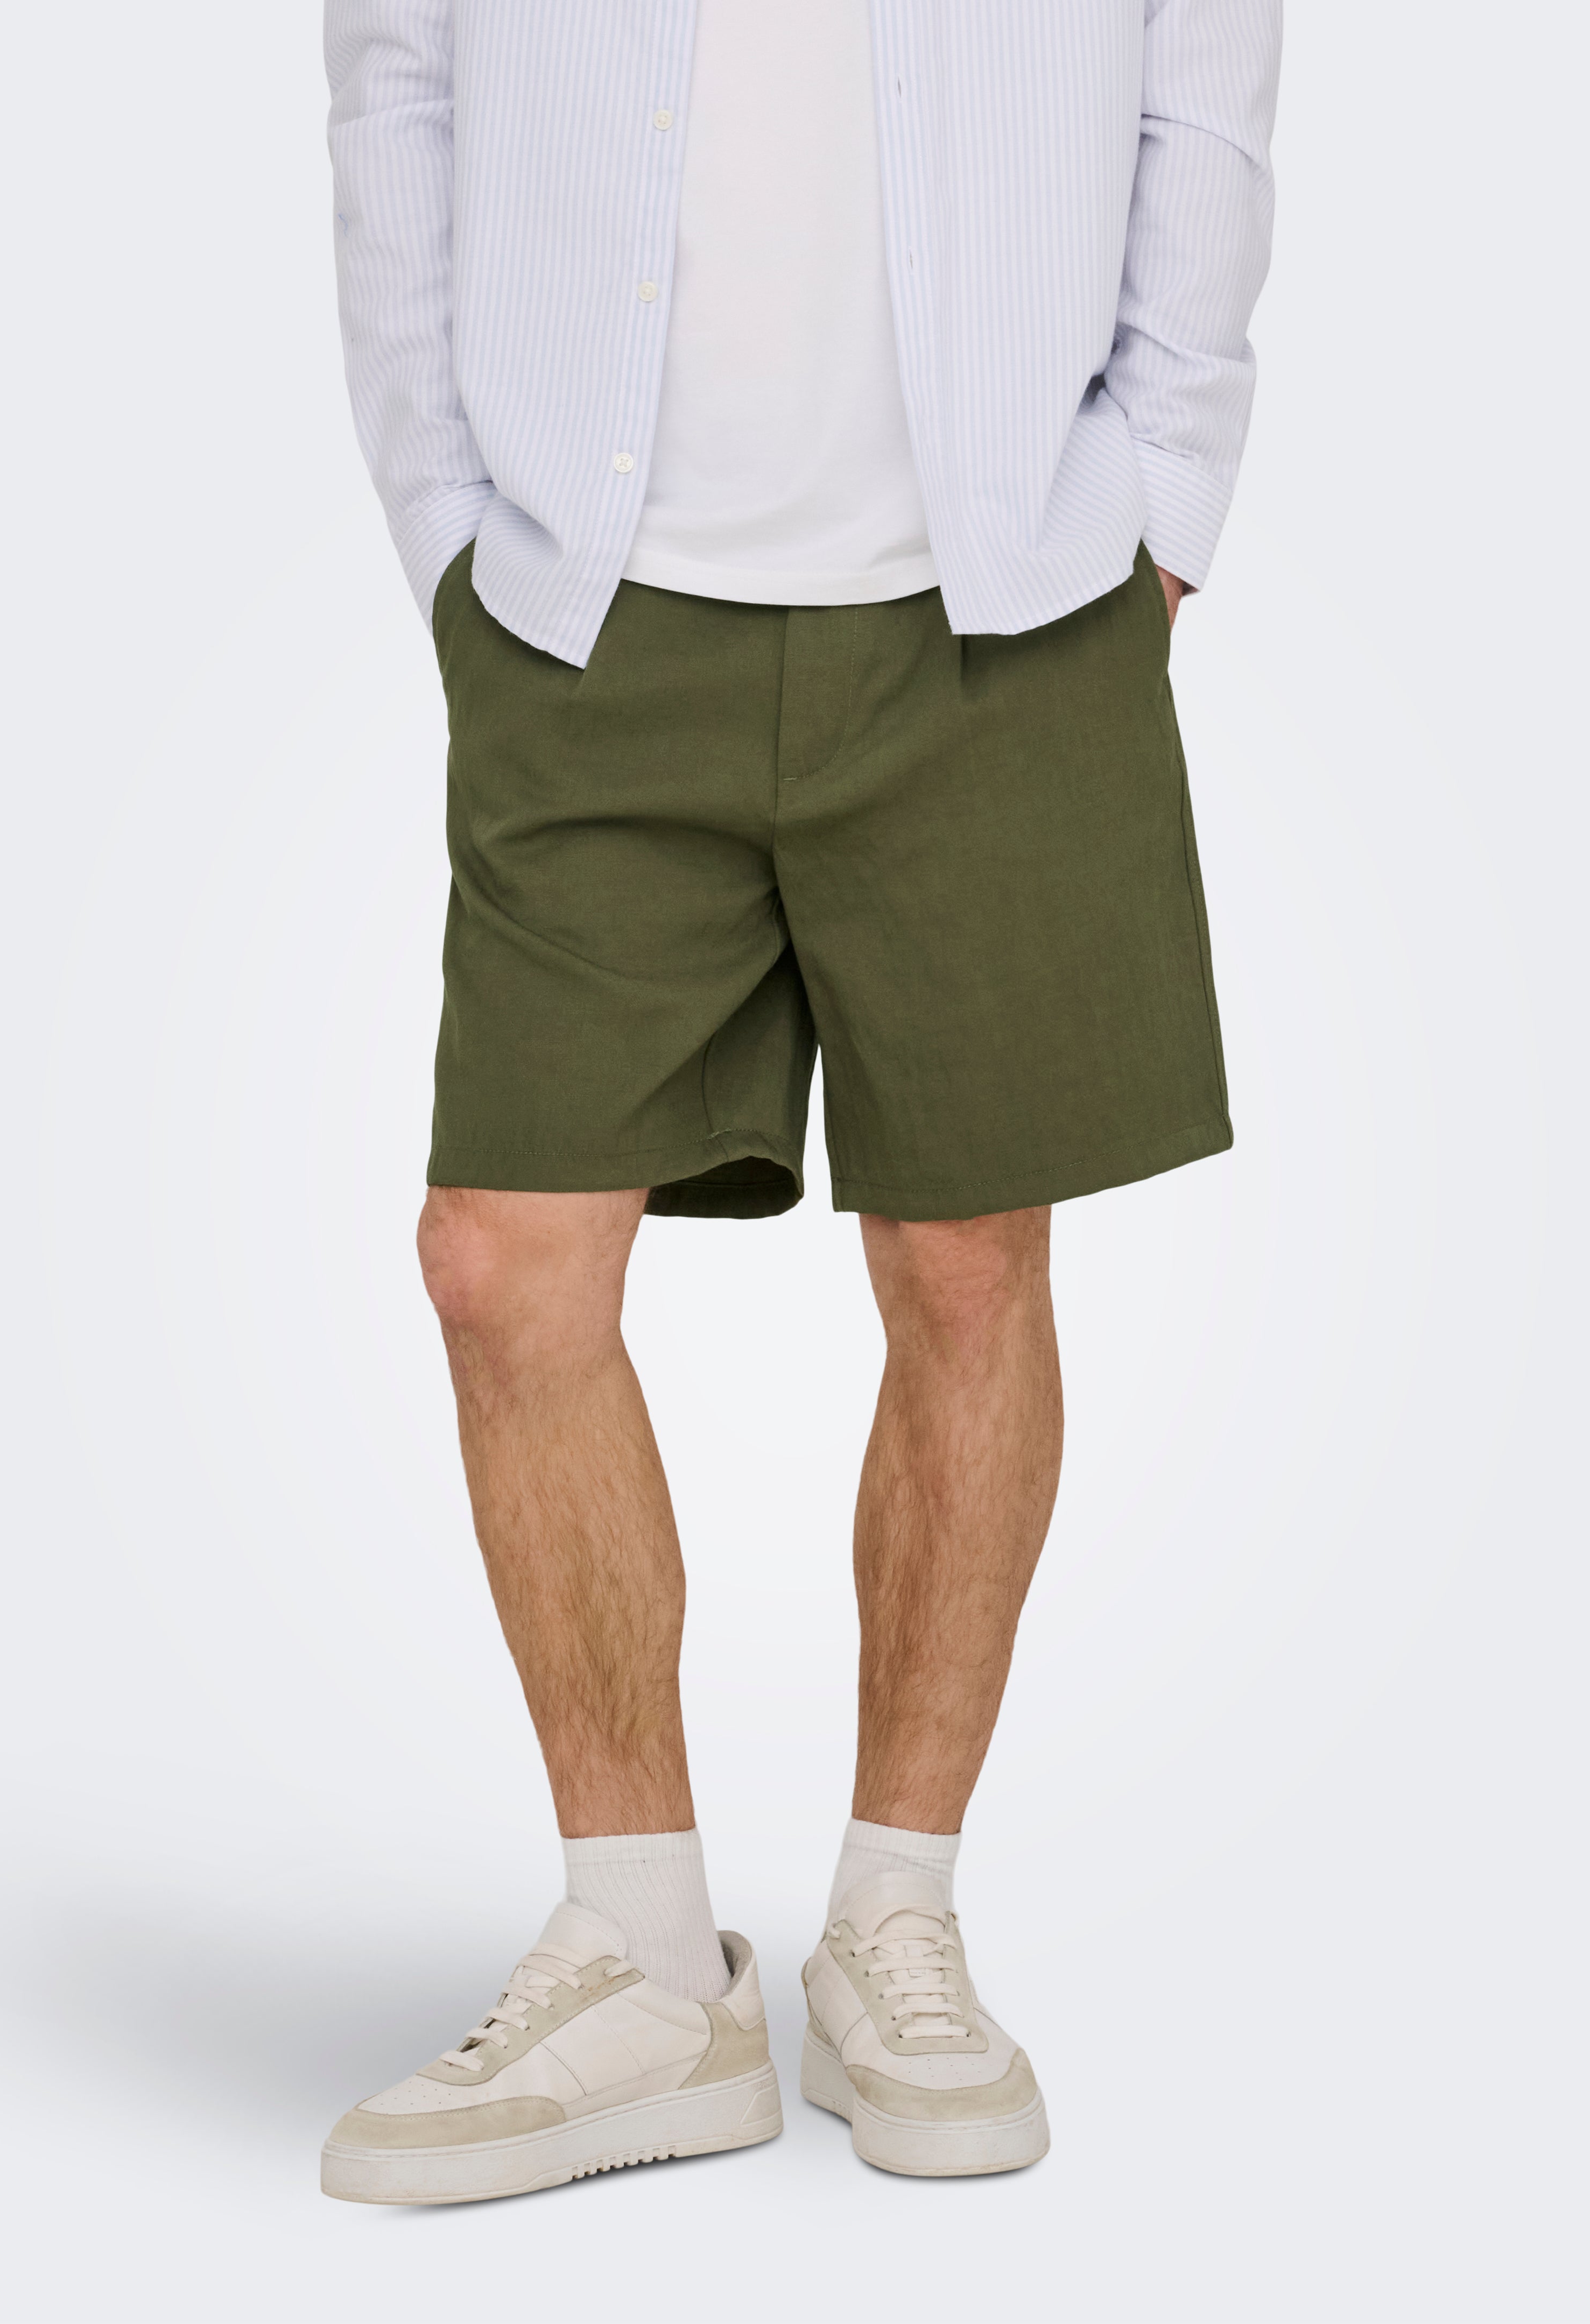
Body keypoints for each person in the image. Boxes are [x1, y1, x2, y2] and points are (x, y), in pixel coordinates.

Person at [318, 0, 1281, 2202]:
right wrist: (446, 516)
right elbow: (398, 72)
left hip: (1006, 593)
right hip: (584, 606)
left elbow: (1204, 59)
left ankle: (897, 1919)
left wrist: (1169, 483)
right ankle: (647, 1959)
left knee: (969, 1265)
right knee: (502, 1264)